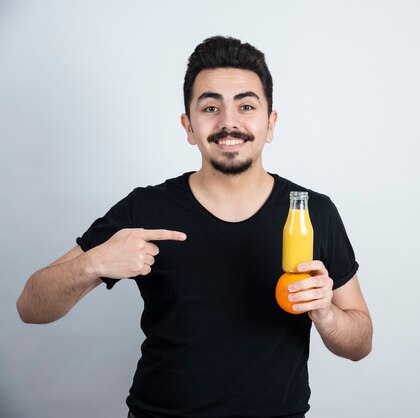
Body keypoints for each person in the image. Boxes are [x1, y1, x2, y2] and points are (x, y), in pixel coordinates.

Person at [16, 36, 372, 418]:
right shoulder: (146, 207)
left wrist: (327, 314)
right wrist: (94, 263)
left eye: (246, 106)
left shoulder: (310, 211)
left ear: (270, 124)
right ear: (188, 126)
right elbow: (30, 307)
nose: (229, 122)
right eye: (210, 107)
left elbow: (360, 342)